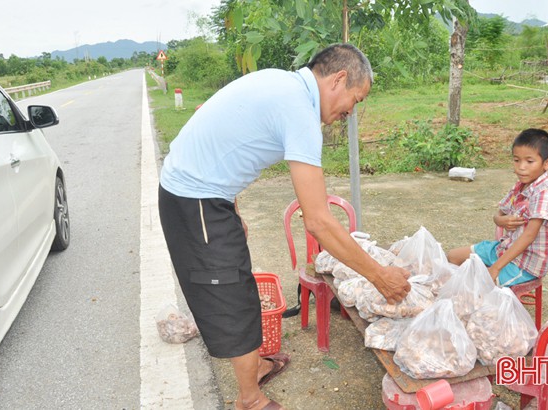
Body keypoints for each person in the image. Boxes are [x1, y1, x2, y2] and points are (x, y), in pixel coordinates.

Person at [158, 43, 411, 410]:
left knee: (239, 282)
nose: (350, 112)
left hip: (207, 193)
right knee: (227, 294)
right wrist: (379, 276)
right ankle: (250, 400)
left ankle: (257, 366)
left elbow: (224, 135)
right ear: (339, 79)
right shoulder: (299, 112)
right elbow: (319, 221)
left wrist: (230, 203)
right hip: (193, 198)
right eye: (355, 100)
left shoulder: (283, 84)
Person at [447, 128, 548, 286]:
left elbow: (529, 236)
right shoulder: (520, 186)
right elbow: (500, 213)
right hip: (503, 249)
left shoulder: (545, 193)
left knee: (476, 286)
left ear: (547, 163)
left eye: (529, 162)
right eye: (517, 160)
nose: (521, 167)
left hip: (525, 265)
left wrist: (496, 268)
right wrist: (499, 221)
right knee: (453, 257)